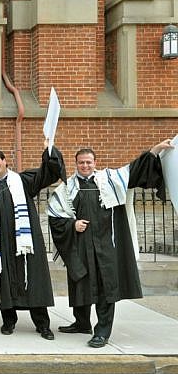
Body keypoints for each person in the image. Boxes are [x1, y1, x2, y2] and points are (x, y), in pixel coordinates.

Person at [48, 139, 174, 348]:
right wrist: (72, 225)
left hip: (107, 245)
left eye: (89, 162)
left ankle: (102, 332)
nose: (85, 166)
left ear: (95, 162)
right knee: (81, 283)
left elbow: (135, 170)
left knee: (106, 288)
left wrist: (155, 150)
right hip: (81, 245)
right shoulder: (67, 187)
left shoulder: (109, 179)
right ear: (76, 163)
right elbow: (54, 215)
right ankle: (81, 323)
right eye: (81, 163)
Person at [0, 142, 64, 340]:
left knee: (34, 281)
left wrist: (49, 151)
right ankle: (9, 321)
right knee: (6, 280)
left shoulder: (22, 180)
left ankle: (43, 325)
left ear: (4, 161)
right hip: (1, 242)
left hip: (26, 241)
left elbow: (47, 174)